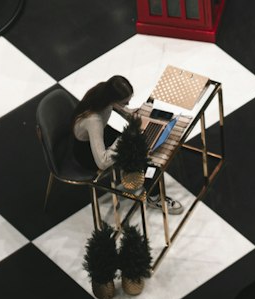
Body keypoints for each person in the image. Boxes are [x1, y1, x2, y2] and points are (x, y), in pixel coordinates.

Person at [72, 74, 182, 213]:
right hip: (88, 156)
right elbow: (102, 162)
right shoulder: (94, 120)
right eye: (125, 102)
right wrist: (124, 140)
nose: (128, 105)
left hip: (100, 136)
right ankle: (154, 198)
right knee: (145, 158)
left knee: (140, 143)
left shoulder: (102, 94)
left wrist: (136, 118)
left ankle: (139, 174)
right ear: (113, 100)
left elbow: (121, 109)